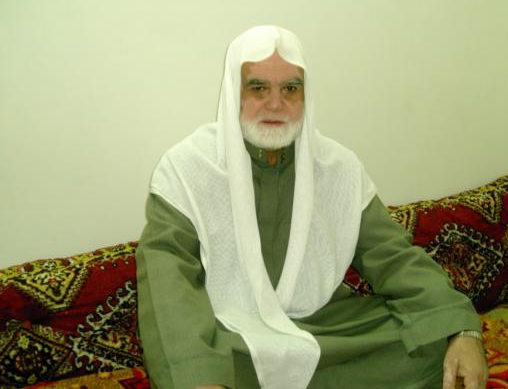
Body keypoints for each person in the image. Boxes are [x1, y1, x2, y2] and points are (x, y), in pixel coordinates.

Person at [136, 26, 488, 389]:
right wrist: (199, 376)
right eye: (258, 88)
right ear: (234, 92)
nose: (276, 104)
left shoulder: (338, 168)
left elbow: (393, 256)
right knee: (201, 366)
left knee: (431, 345)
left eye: (290, 88)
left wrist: (463, 330)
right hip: (234, 337)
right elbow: (169, 282)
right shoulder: (187, 170)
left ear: (306, 94)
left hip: (326, 331)